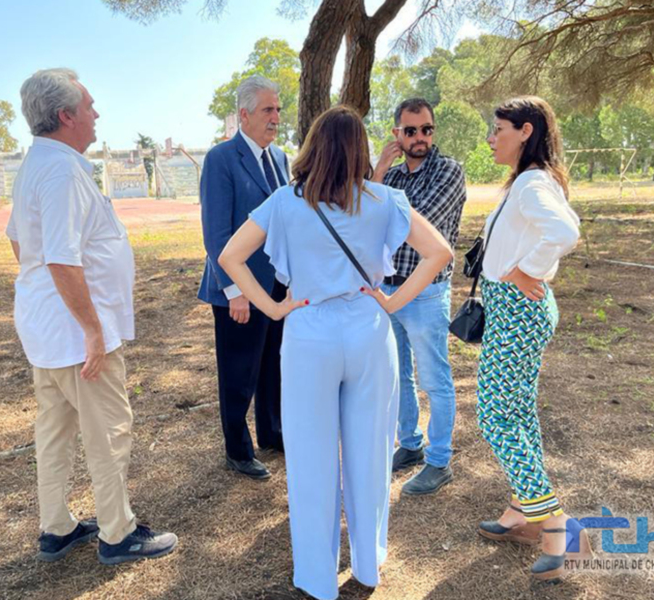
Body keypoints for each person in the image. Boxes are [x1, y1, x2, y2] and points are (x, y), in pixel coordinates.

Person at [218, 105, 452, 600]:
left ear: (313, 147)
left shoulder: (284, 202)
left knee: (310, 460)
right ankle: (368, 566)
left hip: (308, 333)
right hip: (368, 329)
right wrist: (390, 300)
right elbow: (440, 253)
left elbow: (229, 256)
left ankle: (317, 577)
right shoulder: (385, 198)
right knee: (370, 454)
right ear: (361, 149)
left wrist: (273, 308)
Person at [6, 68, 177, 565]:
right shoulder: (60, 170)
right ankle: (117, 533)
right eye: (89, 105)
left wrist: (49, 296)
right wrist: (91, 328)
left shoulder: (40, 163)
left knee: (55, 430)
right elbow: (61, 256)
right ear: (65, 116)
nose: (96, 113)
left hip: (47, 330)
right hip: (72, 335)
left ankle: (56, 527)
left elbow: (20, 240)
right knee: (107, 429)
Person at [474, 96, 588, 580]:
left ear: (524, 131)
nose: (490, 137)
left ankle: (556, 523)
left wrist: (526, 269)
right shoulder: (526, 182)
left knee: (495, 414)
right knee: (515, 410)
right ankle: (523, 507)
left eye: (497, 128)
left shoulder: (531, 182)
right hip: (513, 308)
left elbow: (564, 231)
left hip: (519, 308)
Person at [372, 98, 467, 495]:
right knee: (398, 376)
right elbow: (364, 217)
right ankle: (409, 444)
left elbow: (415, 218)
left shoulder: (449, 171)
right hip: (390, 288)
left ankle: (439, 460)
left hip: (427, 292)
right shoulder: (390, 178)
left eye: (426, 129)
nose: (420, 137)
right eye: (410, 131)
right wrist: (378, 169)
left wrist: (379, 206)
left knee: (435, 379)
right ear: (397, 134)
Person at [198, 75, 290, 480]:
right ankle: (238, 448)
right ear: (244, 115)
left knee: (273, 365)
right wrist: (233, 290)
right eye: (268, 110)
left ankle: (273, 432)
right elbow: (216, 232)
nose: (276, 118)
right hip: (238, 290)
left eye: (278, 109)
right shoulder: (221, 159)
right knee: (239, 373)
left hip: (275, 287)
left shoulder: (281, 159)